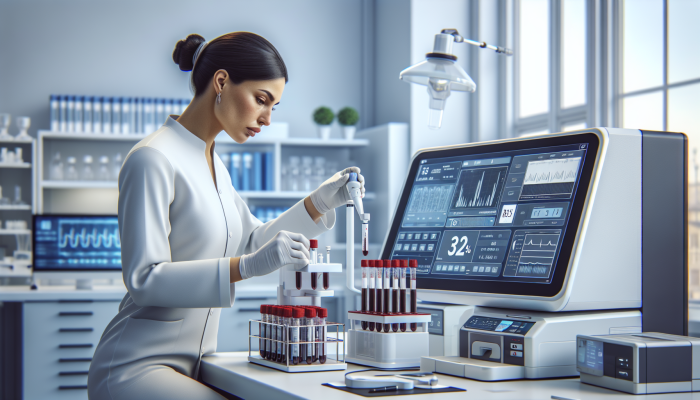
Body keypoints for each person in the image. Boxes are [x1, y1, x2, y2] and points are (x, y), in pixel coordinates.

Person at [87, 32, 364, 400]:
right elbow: (144, 278)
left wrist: (318, 203)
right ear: (221, 82)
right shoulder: (153, 158)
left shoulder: (214, 163)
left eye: (273, 107)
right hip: (137, 366)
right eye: (261, 100)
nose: (266, 118)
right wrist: (246, 267)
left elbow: (252, 241)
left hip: (198, 363)